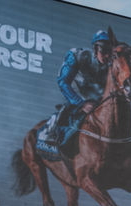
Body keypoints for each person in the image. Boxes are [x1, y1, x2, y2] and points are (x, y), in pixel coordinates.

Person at [38, 29, 113, 157]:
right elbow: (62, 81)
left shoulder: (112, 65)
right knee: (67, 111)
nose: (107, 56)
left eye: (109, 52)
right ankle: (48, 134)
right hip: (76, 92)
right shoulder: (77, 55)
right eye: (104, 51)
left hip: (96, 97)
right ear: (95, 49)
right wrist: (81, 104)